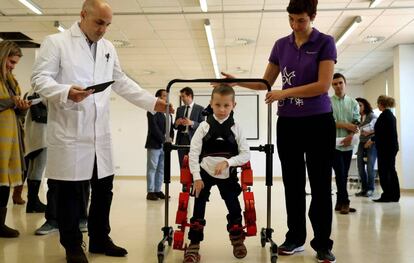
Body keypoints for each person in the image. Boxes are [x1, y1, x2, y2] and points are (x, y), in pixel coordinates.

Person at [30, 1, 170, 262]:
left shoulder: (108, 48)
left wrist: (153, 102)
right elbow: (39, 79)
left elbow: (121, 81)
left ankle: (99, 239)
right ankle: (72, 245)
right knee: (71, 195)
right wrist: (66, 91)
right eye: (99, 22)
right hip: (70, 132)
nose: (103, 29)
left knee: (104, 189)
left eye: (107, 24)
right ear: (83, 15)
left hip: (99, 135)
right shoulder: (56, 42)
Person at [218, 0, 337, 261]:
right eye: (292, 20)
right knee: (292, 185)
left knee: (319, 185)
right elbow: (265, 83)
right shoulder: (281, 45)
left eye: (301, 20)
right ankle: (295, 237)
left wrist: (285, 92)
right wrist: (235, 82)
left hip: (319, 122)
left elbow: (323, 85)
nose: (296, 25)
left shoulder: (325, 42)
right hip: (289, 123)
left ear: (312, 16)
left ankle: (322, 244)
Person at [183, 84, 250, 263]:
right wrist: (196, 178)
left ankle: (237, 240)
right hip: (204, 173)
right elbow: (194, 154)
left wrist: (228, 162)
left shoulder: (237, 128)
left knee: (234, 207)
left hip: (227, 174)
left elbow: (245, 155)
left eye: (226, 105)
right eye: (218, 105)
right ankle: (194, 244)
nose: (222, 109)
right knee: (199, 207)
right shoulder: (204, 127)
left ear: (233, 105)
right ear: (211, 104)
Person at [0, 40, 31, 238]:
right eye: (10, 62)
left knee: (4, 181)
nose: (12, 66)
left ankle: (0, 224)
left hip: (10, 137)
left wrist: (21, 108)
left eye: (15, 64)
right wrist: (11, 101)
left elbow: (13, 111)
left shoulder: (11, 81)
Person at [331, 73, 360, 214]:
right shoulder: (328, 102)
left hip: (349, 144)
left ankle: (338, 202)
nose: (338, 86)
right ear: (332, 86)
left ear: (345, 83)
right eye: (335, 84)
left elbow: (356, 121)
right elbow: (330, 123)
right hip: (334, 145)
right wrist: (347, 126)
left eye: (340, 83)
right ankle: (345, 202)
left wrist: (351, 134)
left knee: (343, 175)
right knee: (340, 173)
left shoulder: (353, 102)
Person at [366, 95, 400, 202]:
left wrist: (371, 140)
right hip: (391, 147)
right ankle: (394, 195)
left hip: (386, 148)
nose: (378, 105)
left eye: (378, 103)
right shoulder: (390, 115)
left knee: (385, 171)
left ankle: (387, 195)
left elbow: (382, 133)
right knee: (391, 171)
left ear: (381, 104)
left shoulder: (384, 116)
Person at [145, 89, 174, 201]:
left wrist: (171, 139)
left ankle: (158, 190)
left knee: (161, 169)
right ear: (158, 98)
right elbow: (153, 128)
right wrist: (163, 140)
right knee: (152, 168)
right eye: (164, 96)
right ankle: (150, 191)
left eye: (167, 96)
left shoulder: (168, 112)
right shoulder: (152, 110)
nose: (166, 98)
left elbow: (170, 128)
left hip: (166, 145)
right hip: (154, 144)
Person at [24, 90, 47, 213]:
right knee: (38, 168)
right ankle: (33, 203)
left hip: (32, 136)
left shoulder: (29, 92)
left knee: (33, 168)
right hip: (43, 135)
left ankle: (32, 202)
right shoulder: (44, 93)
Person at [174, 87, 204, 168]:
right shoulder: (179, 109)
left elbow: (203, 126)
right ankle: (184, 181)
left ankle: (194, 180)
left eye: (183, 96)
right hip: (181, 140)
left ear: (189, 96)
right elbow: (175, 127)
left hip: (194, 140)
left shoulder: (200, 109)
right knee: (182, 164)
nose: (182, 98)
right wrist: (176, 123)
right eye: (181, 96)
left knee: (193, 164)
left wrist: (192, 123)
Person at [355, 97, 377, 197]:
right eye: (357, 105)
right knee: (360, 167)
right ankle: (364, 189)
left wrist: (370, 133)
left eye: (360, 105)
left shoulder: (371, 116)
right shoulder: (357, 117)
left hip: (371, 142)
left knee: (369, 167)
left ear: (365, 106)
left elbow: (379, 129)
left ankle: (370, 189)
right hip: (361, 143)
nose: (358, 107)